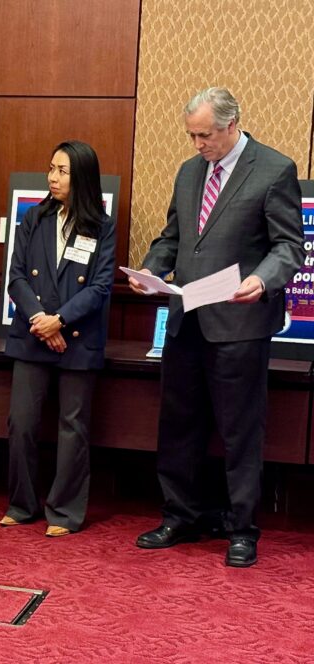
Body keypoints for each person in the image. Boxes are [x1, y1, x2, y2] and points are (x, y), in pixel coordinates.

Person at [129, 87, 303, 567]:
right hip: (186, 319)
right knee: (179, 424)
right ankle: (179, 516)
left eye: (205, 135)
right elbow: (173, 238)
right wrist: (150, 271)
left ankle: (242, 528)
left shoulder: (274, 169)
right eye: (192, 136)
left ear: (232, 125)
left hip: (241, 321)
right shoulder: (189, 173)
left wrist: (261, 280)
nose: (198, 145)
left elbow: (289, 247)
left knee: (240, 430)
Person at [0, 140, 115, 537]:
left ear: (81, 176)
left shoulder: (102, 225)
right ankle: (22, 503)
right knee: (22, 422)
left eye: (62, 171)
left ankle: (64, 512)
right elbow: (16, 276)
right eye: (51, 168)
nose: (52, 177)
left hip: (77, 338)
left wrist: (59, 322)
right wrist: (40, 321)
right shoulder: (34, 218)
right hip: (33, 333)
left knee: (73, 426)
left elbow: (100, 288)